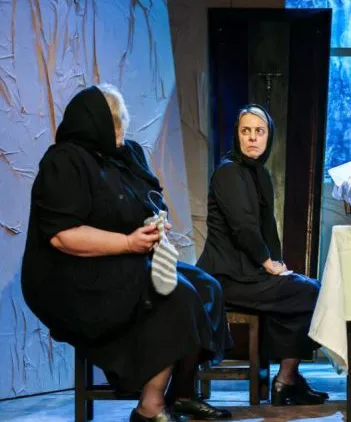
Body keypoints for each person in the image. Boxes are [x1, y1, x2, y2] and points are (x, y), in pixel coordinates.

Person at [21, 85, 233, 422]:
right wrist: (128, 243)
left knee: (208, 287)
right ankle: (150, 407)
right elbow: (62, 237)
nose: (121, 128)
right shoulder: (65, 160)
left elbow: (151, 197)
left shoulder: (127, 154)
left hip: (127, 260)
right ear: (93, 122)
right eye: (114, 122)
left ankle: (182, 394)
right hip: (72, 275)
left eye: (121, 120)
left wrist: (156, 223)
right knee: (176, 295)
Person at [197, 104, 327, 406]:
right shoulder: (229, 173)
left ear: (269, 136)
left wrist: (278, 267)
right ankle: (286, 380)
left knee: (306, 290)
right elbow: (243, 227)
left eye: (259, 131)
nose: (253, 138)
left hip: (250, 274)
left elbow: (268, 231)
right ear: (237, 135)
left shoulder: (259, 174)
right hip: (226, 276)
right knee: (311, 291)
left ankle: (287, 379)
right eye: (246, 131)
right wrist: (268, 263)